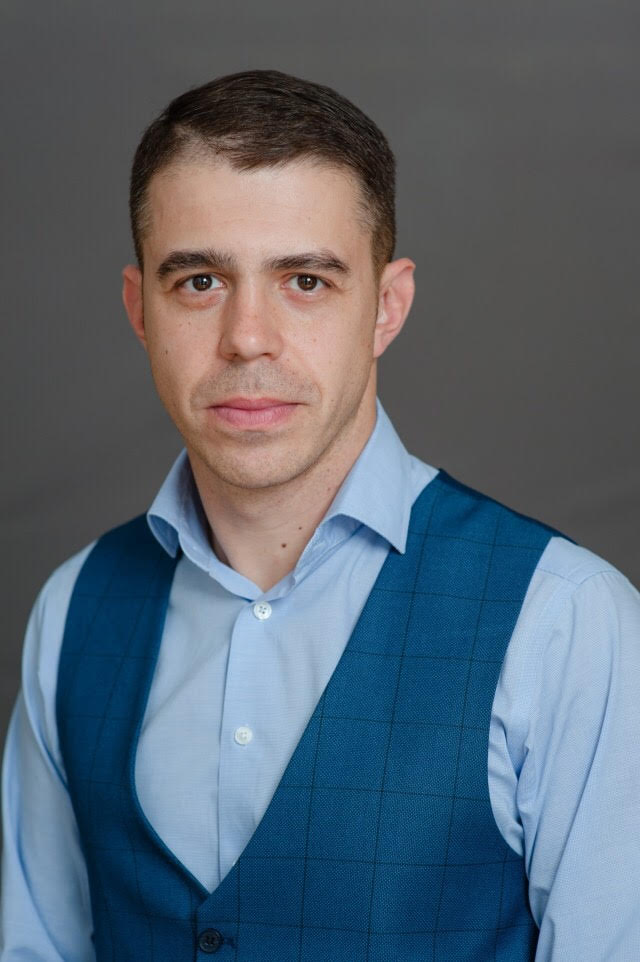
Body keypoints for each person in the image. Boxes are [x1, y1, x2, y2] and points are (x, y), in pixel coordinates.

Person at [1, 69, 639, 962]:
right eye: (199, 281)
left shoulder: (566, 621)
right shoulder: (74, 610)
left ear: (386, 307)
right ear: (139, 308)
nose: (247, 337)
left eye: (304, 280)